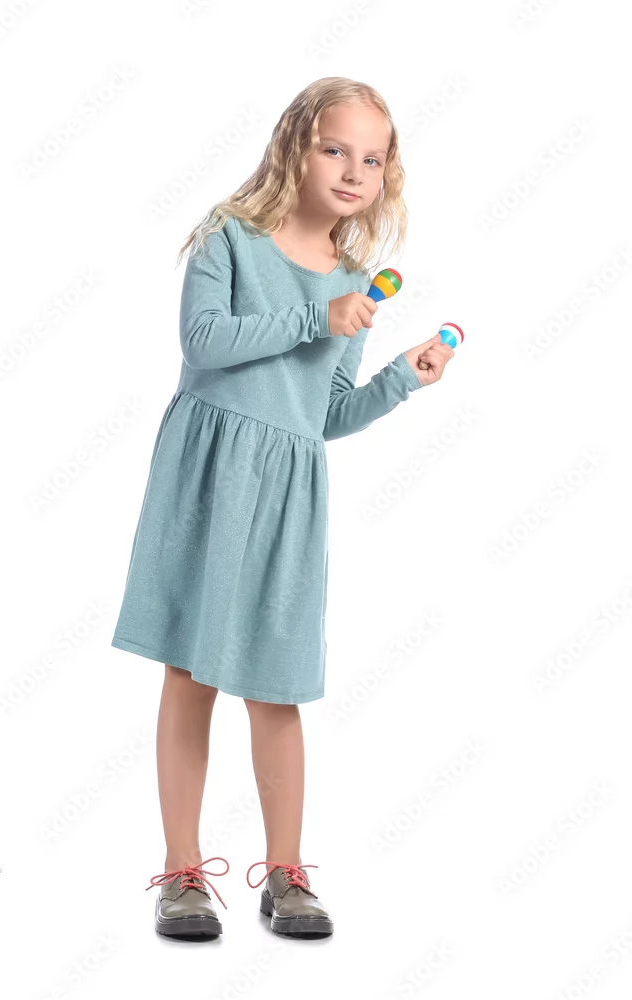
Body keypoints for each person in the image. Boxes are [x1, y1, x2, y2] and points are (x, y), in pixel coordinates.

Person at [111, 76, 454, 940]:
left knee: (276, 686)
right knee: (190, 674)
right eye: (334, 149)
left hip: (288, 495)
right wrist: (314, 317)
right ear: (294, 145)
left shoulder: (356, 283)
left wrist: (398, 381)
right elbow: (202, 342)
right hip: (207, 477)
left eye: (371, 159)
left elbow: (324, 413)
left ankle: (286, 875)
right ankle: (182, 872)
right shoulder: (229, 237)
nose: (352, 171)